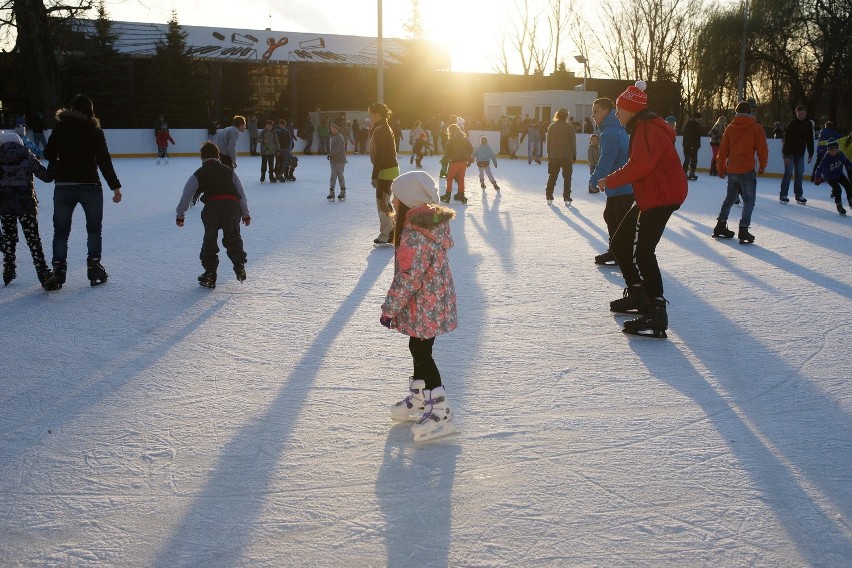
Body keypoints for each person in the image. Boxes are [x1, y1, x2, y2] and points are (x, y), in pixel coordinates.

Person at [596, 80, 688, 339]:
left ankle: (656, 309)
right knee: (621, 242)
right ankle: (638, 294)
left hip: (661, 196)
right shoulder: (642, 126)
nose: (617, 113)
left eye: (619, 108)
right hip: (653, 194)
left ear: (631, 109)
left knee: (642, 251)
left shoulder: (647, 127)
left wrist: (609, 180)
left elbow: (639, 166)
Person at [381, 170, 458, 442]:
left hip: (424, 301)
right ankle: (419, 398)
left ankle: (441, 410)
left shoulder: (414, 234)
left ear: (408, 200)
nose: (393, 201)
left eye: (396, 197)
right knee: (419, 345)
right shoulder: (431, 223)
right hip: (433, 300)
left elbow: (408, 278)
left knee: (420, 350)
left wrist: (389, 309)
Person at [41, 95, 122, 291]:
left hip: (64, 185)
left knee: (61, 231)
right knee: (94, 229)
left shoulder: (60, 127)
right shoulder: (94, 130)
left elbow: (48, 154)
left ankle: (58, 271)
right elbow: (104, 160)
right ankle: (94, 267)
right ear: (90, 112)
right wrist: (115, 187)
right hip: (90, 185)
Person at [175, 141, 250, 289]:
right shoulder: (229, 171)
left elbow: (187, 194)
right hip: (232, 207)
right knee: (233, 237)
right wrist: (245, 213)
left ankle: (210, 274)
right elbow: (241, 193)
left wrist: (180, 214)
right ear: (218, 156)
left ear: (202, 158)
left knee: (210, 239)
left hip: (212, 209)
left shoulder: (199, 173)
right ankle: (239, 265)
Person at [0, 132, 55, 286]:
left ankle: (8, 271)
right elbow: (46, 176)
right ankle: (43, 272)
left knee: (9, 239)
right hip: (26, 204)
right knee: (33, 239)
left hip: (5, 206)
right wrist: (54, 161)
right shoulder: (27, 156)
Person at [712, 101, 769, 244]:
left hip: (732, 170)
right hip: (747, 170)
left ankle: (720, 225)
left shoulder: (730, 128)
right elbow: (762, 149)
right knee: (749, 200)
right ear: (750, 113)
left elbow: (722, 150)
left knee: (730, 198)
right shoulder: (756, 128)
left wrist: (720, 168)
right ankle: (743, 229)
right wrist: (762, 166)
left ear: (736, 113)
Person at [589, 97, 633, 265]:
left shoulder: (610, 132)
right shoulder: (617, 129)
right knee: (611, 216)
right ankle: (617, 251)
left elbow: (607, 159)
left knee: (618, 219)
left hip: (622, 185)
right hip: (619, 184)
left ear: (606, 112)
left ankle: (623, 254)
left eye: (596, 112)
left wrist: (594, 180)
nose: (593, 115)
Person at [368, 102, 400, 246]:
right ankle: (392, 230)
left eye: (371, 115)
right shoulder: (384, 127)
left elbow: (381, 154)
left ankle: (386, 234)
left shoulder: (381, 129)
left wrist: (375, 175)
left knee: (381, 203)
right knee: (384, 202)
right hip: (388, 168)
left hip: (385, 170)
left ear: (377, 115)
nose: (370, 118)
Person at [780, 105, 814, 204]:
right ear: (796, 114)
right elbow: (786, 140)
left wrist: (810, 153)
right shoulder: (792, 123)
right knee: (788, 174)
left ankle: (798, 195)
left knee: (799, 175)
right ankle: (783, 195)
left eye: (802, 114)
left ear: (806, 113)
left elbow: (810, 139)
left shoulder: (808, 124)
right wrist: (785, 155)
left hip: (800, 154)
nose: (800, 116)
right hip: (790, 153)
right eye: (798, 114)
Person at [545, 108, 577, 206]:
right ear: (566, 116)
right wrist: (574, 154)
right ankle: (567, 196)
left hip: (554, 156)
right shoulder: (569, 127)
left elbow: (548, 142)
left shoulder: (552, 127)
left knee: (552, 176)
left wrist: (549, 154)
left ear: (557, 115)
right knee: (567, 177)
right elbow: (572, 142)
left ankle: (549, 195)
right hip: (566, 156)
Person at [813, 138, 852, 216]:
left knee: (848, 186)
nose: (833, 152)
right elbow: (819, 168)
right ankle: (839, 206)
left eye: (835, 149)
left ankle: (850, 201)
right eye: (831, 150)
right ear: (828, 150)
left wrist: (850, 166)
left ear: (838, 149)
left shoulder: (841, 154)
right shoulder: (826, 158)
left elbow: (846, 161)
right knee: (838, 190)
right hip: (830, 177)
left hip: (839, 175)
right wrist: (817, 177)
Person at [439, 123, 474, 204]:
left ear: (452, 131)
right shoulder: (465, 139)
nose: (448, 133)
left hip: (455, 162)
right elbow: (471, 149)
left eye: (449, 131)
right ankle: (461, 194)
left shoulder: (451, 140)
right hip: (464, 162)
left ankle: (447, 195)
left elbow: (447, 154)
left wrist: (446, 159)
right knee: (461, 178)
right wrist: (466, 155)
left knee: (449, 178)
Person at [327, 121, 347, 201]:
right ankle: (332, 192)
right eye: (331, 127)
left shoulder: (339, 137)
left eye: (333, 127)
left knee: (340, 176)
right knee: (333, 176)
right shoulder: (333, 137)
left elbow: (337, 149)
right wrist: (331, 155)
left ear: (337, 128)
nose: (331, 129)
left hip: (339, 160)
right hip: (333, 160)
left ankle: (343, 191)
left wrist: (330, 154)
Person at [682, 113, 701, 180]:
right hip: (688, 145)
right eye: (698, 118)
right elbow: (688, 136)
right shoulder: (689, 124)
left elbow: (697, 137)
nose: (699, 120)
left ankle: (692, 172)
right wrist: (691, 145)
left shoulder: (697, 125)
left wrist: (698, 145)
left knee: (694, 160)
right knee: (688, 159)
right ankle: (684, 172)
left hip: (694, 146)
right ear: (695, 118)